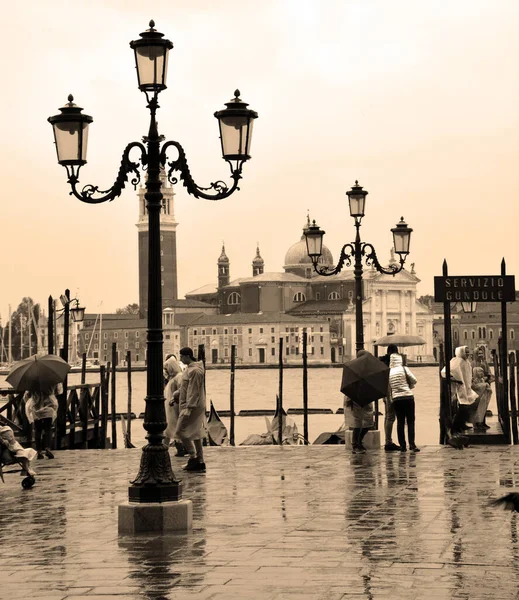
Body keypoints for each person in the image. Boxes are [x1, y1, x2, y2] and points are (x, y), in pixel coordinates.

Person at [174, 347, 207, 472]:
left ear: (187, 356)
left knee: (180, 431)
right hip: (188, 404)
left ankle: (193, 457)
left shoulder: (195, 371)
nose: (180, 359)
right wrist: (175, 395)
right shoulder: (189, 369)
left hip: (192, 407)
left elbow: (194, 392)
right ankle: (200, 460)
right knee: (196, 432)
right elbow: (185, 387)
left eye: (181, 356)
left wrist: (189, 408)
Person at [344, 349, 375, 454]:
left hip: (365, 396)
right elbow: (349, 385)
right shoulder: (353, 369)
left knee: (369, 422)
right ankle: (355, 445)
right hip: (355, 397)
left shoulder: (367, 369)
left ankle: (359, 442)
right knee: (357, 423)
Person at [444, 346, 478, 435]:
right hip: (459, 387)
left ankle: (462, 424)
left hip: (467, 386)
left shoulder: (466, 362)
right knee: (463, 406)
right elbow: (444, 372)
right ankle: (455, 427)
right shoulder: (456, 360)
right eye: (465, 352)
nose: (467, 354)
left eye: (468, 352)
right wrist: (455, 379)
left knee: (469, 403)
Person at [389, 353, 419, 452]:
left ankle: (402, 446)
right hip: (408, 397)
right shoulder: (404, 369)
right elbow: (414, 380)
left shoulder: (389, 372)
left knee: (400, 422)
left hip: (396, 399)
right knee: (410, 421)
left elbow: (389, 387)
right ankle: (412, 444)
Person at [24, 384, 61, 459]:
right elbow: (59, 391)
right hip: (49, 406)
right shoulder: (51, 380)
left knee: (38, 430)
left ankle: (39, 451)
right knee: (48, 429)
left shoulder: (32, 381)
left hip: (36, 407)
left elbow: (26, 396)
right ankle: (47, 447)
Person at [379, 343, 400, 451]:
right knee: (392, 417)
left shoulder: (382, 362)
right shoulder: (394, 363)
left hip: (385, 391)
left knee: (388, 416)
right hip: (393, 391)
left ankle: (388, 440)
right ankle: (388, 442)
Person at [163, 355, 186, 455]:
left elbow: (182, 390)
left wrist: (175, 399)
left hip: (176, 407)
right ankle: (166, 449)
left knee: (174, 428)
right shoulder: (172, 379)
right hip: (170, 407)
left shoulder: (179, 377)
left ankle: (182, 450)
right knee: (169, 429)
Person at [473, 345, 494, 428]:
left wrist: (486, 378)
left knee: (484, 405)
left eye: (481, 353)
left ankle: (483, 423)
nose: (480, 355)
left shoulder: (485, 363)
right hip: (477, 387)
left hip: (484, 385)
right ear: (475, 354)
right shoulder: (472, 363)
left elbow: (489, 373)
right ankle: (476, 424)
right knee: (477, 405)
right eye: (478, 353)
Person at [471, 366, 492, 431]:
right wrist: (484, 385)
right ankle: (476, 425)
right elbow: (474, 387)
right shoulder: (473, 380)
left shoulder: (482, 379)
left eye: (482, 371)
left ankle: (482, 423)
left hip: (483, 398)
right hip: (477, 398)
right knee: (477, 411)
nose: (482, 373)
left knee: (483, 411)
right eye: (480, 371)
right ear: (475, 372)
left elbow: (492, 378)